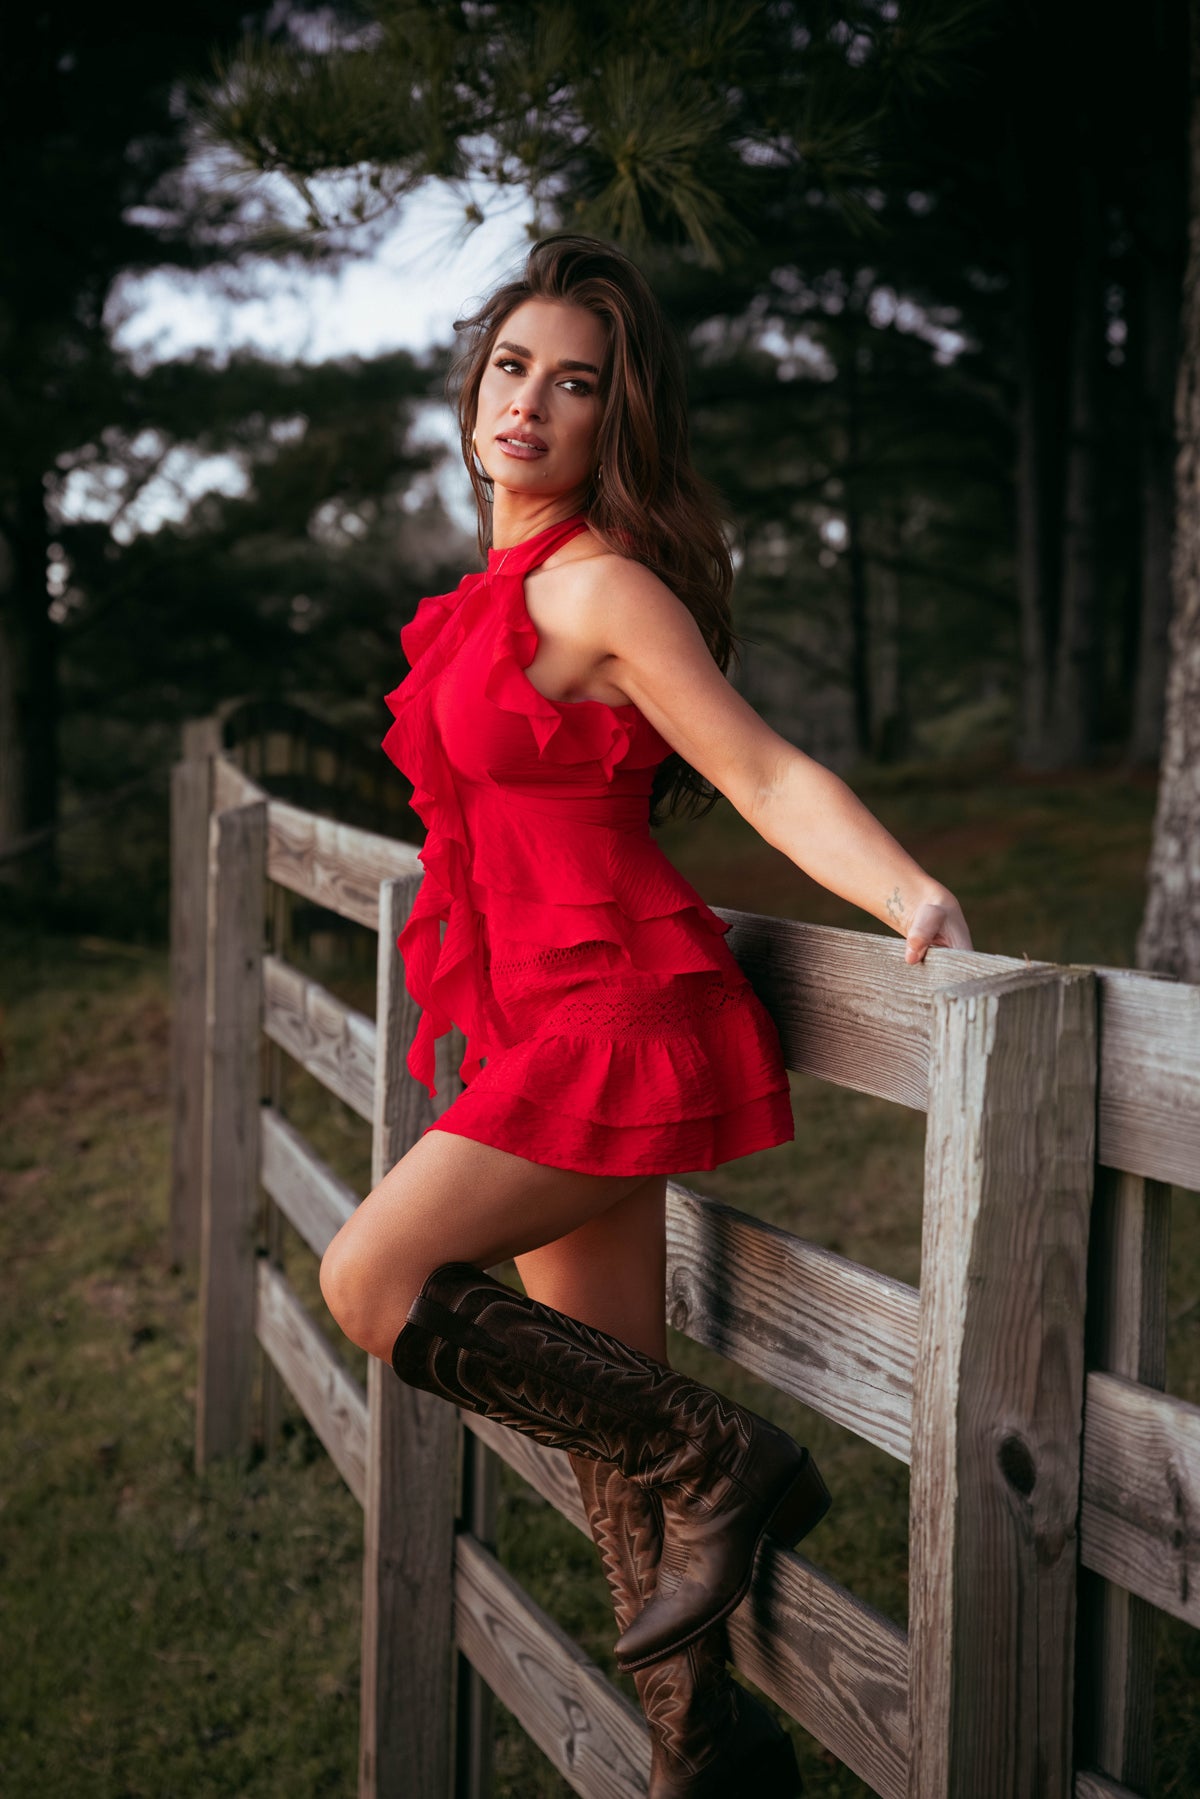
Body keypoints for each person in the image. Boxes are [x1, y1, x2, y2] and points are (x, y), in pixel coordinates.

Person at [319, 234, 972, 1797]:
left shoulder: (604, 585)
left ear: (621, 421)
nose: (529, 403)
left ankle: (727, 1457)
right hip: (547, 1026)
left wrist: (909, 896)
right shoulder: (497, 593)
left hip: (622, 1018)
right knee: (613, 1452)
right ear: (475, 391)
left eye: (577, 385)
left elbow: (758, 770)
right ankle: (708, 1757)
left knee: (371, 1277)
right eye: (511, 369)